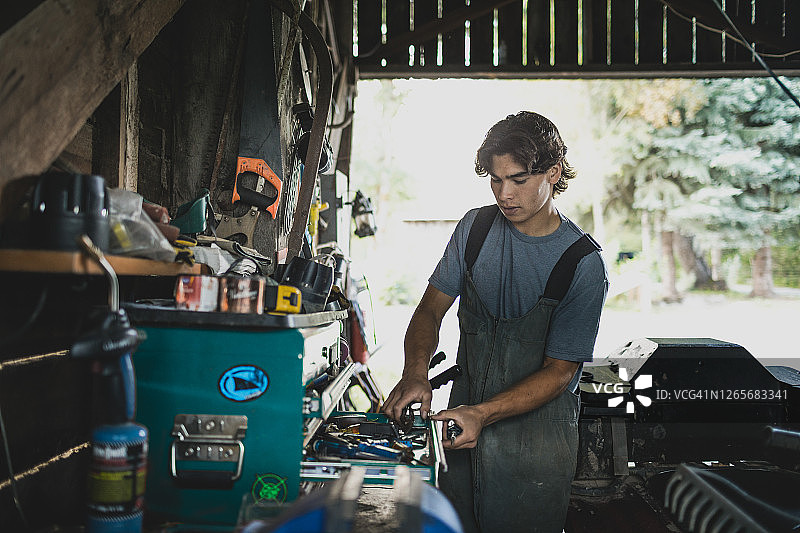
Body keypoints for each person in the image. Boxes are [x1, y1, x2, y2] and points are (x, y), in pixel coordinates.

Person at [382, 111, 608, 533]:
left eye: (518, 180)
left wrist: (483, 413)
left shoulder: (582, 264)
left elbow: (560, 373)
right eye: (495, 179)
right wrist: (415, 374)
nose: (504, 194)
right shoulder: (476, 228)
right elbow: (430, 309)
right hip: (461, 436)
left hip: (536, 449)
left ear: (552, 173)